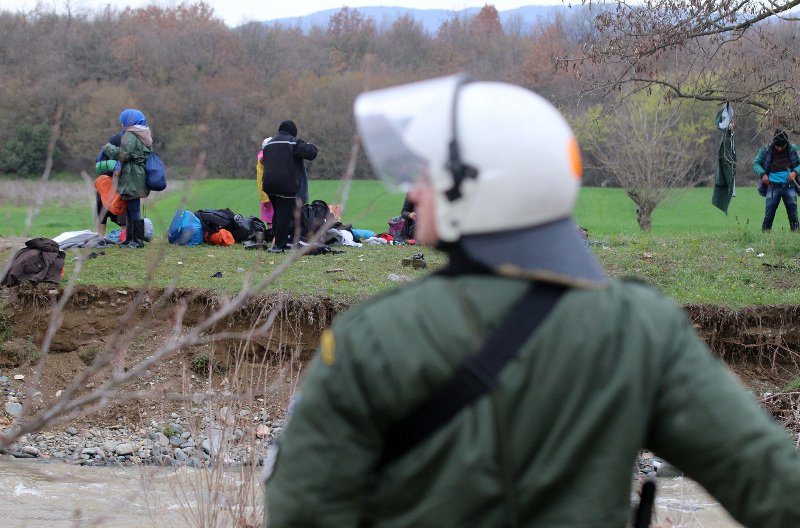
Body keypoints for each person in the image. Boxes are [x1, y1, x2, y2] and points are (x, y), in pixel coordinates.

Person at [264, 76, 800, 527]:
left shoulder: (374, 337)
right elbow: (773, 485)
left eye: (425, 173)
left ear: (475, 186)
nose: (415, 190)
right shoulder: (640, 328)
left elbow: (298, 509)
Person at [261, 120, 318, 253]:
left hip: (269, 185)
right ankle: (278, 246)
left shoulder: (269, 144)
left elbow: (264, 161)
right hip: (285, 185)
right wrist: (310, 145)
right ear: (293, 131)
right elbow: (311, 153)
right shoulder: (293, 142)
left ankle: (277, 242)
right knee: (284, 215)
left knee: (277, 214)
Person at [103, 108, 153, 248]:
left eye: (122, 121)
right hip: (137, 175)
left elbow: (123, 155)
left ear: (128, 121)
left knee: (134, 209)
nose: (121, 124)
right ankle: (130, 239)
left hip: (132, 176)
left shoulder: (131, 135)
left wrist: (108, 148)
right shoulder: (143, 133)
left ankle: (136, 241)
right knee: (131, 209)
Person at [752, 129, 800, 232]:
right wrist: (763, 174)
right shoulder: (765, 150)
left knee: (793, 214)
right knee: (769, 214)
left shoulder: (794, 149)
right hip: (773, 187)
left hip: (789, 186)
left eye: (782, 146)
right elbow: (755, 163)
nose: (779, 149)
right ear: (774, 143)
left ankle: (796, 236)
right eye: (777, 146)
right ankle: (765, 237)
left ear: (786, 144)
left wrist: (795, 172)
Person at [256, 137, 274, 231]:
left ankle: (271, 232)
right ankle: (272, 232)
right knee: (271, 214)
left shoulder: (261, 156)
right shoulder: (264, 158)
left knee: (270, 215)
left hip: (265, 191)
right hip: (267, 192)